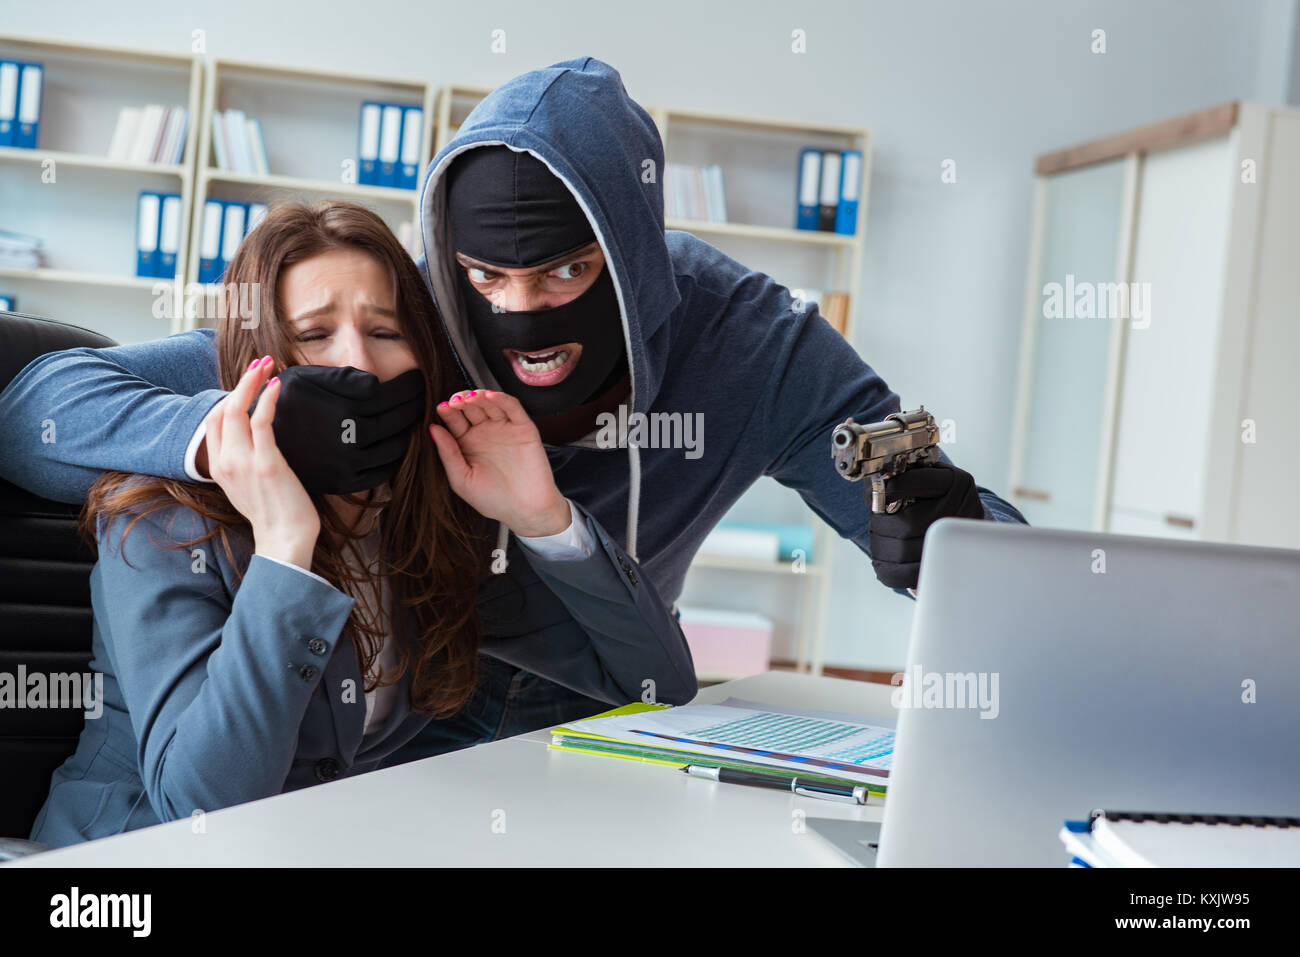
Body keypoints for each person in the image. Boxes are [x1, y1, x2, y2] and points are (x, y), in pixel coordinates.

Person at [0, 57, 1026, 769]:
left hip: (605, 683)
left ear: (631, 255)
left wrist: (955, 536)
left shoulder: (754, 345)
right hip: (400, 706)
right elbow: (41, 404)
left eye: (567, 271)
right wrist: (242, 429)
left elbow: (971, 538)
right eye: (488, 274)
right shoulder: (406, 316)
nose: (521, 309)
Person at [20, 201, 695, 848]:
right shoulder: (165, 517)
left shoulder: (426, 520)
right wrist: (286, 550)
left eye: (384, 331)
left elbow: (654, 682)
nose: (360, 364)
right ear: (259, 363)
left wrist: (542, 516)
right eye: (315, 335)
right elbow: (198, 806)